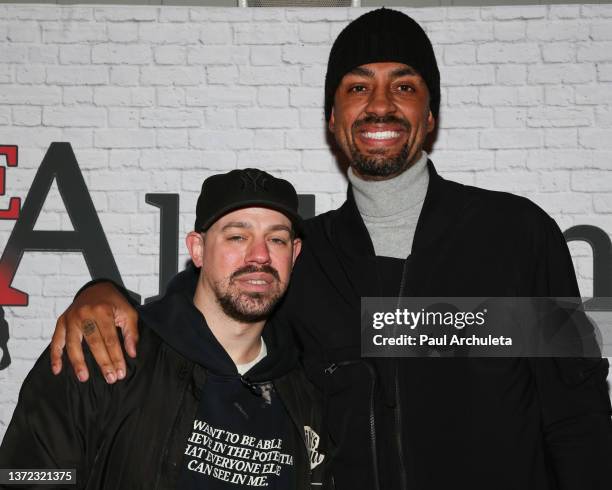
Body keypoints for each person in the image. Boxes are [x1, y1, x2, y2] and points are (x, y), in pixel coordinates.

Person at [49, 8, 612, 490]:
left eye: (405, 85)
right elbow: (202, 316)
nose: (381, 104)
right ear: (333, 118)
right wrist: (101, 292)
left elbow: (578, 416)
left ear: (431, 115)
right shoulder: (304, 257)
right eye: (358, 86)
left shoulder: (518, 233)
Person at [0, 169, 330, 489]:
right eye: (237, 236)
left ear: (295, 253)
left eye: (276, 239)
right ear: (198, 249)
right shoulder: (106, 352)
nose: (259, 255)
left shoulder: (309, 389)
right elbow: (27, 477)